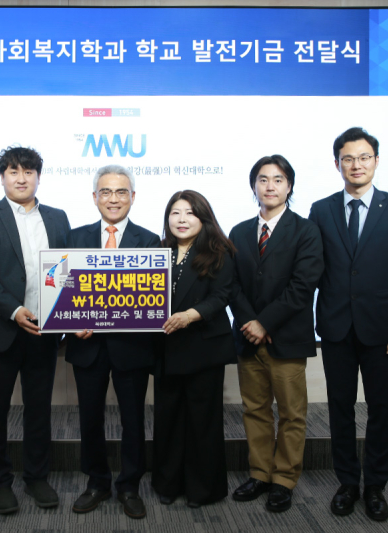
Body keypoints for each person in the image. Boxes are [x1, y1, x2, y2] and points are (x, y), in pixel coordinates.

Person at [308, 127, 388, 521]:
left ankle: (375, 485)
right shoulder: (321, 210)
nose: (356, 165)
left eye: (363, 157)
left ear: (376, 160)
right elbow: (313, 270)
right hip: (336, 327)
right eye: (348, 158)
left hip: (383, 330)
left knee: (380, 409)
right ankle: (347, 482)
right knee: (339, 407)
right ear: (337, 163)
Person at [0, 146, 71, 514]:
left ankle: (37, 477)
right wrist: (13, 310)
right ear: (2, 177)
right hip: (1, 328)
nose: (21, 178)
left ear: (38, 176)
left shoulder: (57, 217)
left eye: (28, 171)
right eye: (13, 171)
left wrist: (69, 316)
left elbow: (67, 270)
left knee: (38, 409)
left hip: (44, 331)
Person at [229, 155, 323, 512]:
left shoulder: (306, 230)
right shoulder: (239, 232)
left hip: (287, 338)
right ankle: (260, 473)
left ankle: (284, 479)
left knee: (291, 413)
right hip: (248, 339)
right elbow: (232, 285)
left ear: (289, 186)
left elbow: (303, 285)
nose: (270, 186)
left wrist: (265, 323)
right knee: (254, 410)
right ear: (254, 186)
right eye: (263, 179)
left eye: (278, 179)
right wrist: (250, 323)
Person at [65, 165, 160, 519]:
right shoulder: (75, 238)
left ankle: (130, 486)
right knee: (89, 419)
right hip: (87, 347)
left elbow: (153, 297)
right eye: (106, 192)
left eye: (121, 192)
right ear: (95, 197)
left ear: (133, 197)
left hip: (131, 348)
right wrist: (70, 323)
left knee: (133, 421)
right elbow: (61, 289)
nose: (113, 199)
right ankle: (97, 483)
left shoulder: (149, 241)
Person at [152, 190, 236, 508]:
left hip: (203, 348)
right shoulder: (158, 252)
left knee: (203, 422)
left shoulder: (219, 252)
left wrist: (190, 315)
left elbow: (221, 296)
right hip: (166, 348)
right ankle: (168, 483)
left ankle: (203, 489)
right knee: (168, 418)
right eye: (175, 212)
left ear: (203, 218)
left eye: (190, 213)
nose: (182, 219)